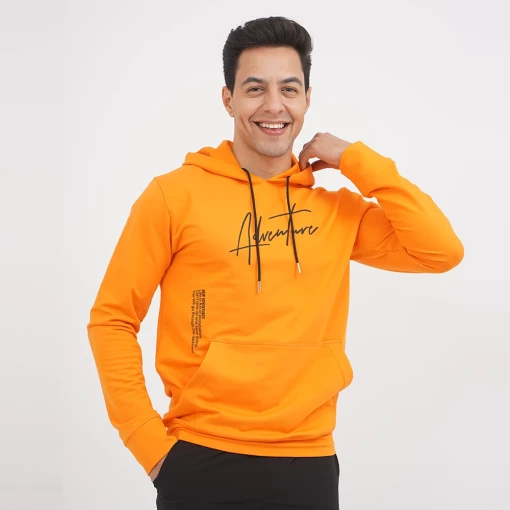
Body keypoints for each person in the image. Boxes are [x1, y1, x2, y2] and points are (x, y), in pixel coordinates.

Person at [87, 16, 464, 510]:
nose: (273, 105)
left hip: (309, 461)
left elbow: (441, 251)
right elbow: (112, 319)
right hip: (200, 457)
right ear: (228, 100)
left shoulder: (337, 212)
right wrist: (151, 448)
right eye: (255, 88)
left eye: (289, 88)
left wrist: (355, 159)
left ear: (307, 99)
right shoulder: (173, 197)